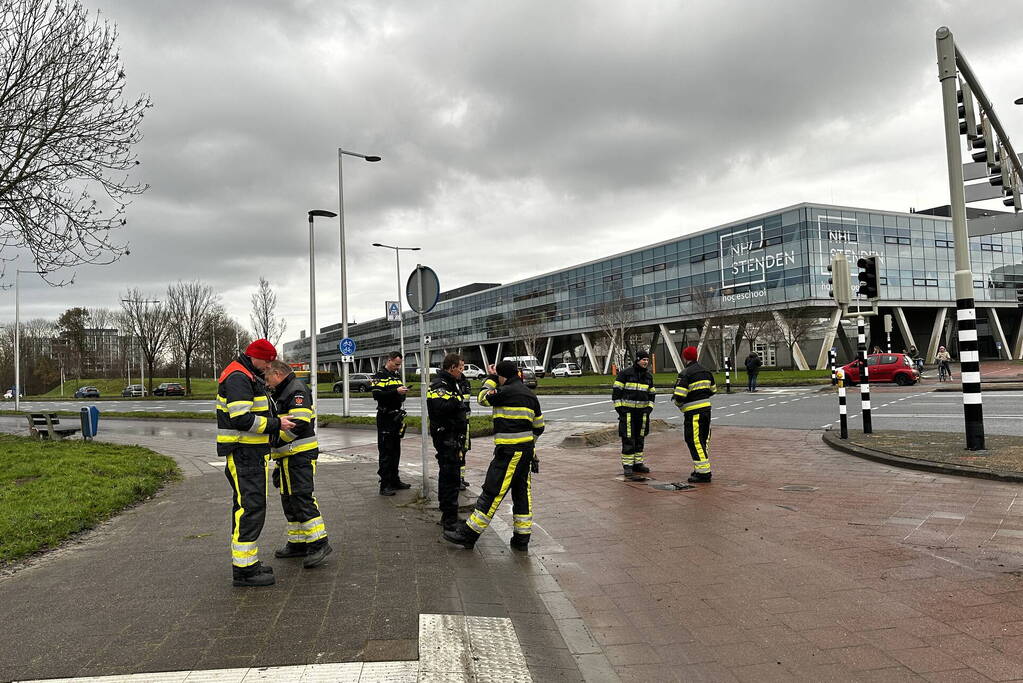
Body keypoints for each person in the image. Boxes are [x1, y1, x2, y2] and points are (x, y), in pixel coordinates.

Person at [217, 339, 295, 587]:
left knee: (247, 506)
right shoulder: (239, 377)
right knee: (250, 507)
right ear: (256, 357)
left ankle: (247, 562)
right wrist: (276, 424)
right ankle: (244, 570)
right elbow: (241, 418)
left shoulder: (246, 374)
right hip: (243, 452)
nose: (269, 366)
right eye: (268, 361)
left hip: (248, 452)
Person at [444, 361, 544, 551]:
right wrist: (529, 445)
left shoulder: (503, 393)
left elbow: (482, 397)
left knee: (493, 491)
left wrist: (490, 378)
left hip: (508, 453)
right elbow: (539, 427)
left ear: (502, 376)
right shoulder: (531, 396)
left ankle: (468, 534)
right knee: (522, 494)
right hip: (525, 454)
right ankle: (521, 539)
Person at [264, 360, 332, 569]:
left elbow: (300, 423)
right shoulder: (284, 391)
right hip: (287, 457)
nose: (266, 382)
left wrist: (277, 441)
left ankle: (319, 543)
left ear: (277, 373)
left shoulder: (296, 390)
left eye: (267, 377)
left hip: (299, 455)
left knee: (302, 497)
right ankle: (298, 543)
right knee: (289, 499)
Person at [427, 354, 469, 533]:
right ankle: (449, 519)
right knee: (449, 476)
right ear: (451, 367)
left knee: (450, 476)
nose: (462, 371)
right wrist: (458, 404)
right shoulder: (440, 385)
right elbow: (440, 408)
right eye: (460, 367)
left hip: (452, 436)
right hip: (446, 437)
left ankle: (449, 515)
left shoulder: (452, 382)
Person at [672, 346, 716, 483]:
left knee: (694, 440)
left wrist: (679, 405)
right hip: (706, 410)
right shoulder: (706, 371)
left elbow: (679, 395)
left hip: (693, 413)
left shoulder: (685, 373)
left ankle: (704, 472)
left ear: (685, 357)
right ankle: (700, 467)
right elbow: (713, 390)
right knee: (703, 439)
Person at [611, 350, 655, 480]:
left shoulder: (648, 376)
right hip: (628, 414)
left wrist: (648, 409)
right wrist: (621, 411)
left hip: (642, 414)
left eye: (647, 360)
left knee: (640, 438)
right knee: (628, 439)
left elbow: (652, 394)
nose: (646, 362)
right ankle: (628, 466)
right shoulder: (625, 374)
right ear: (637, 360)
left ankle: (638, 464)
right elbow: (616, 394)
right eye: (644, 360)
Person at [372, 351, 410, 496]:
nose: (397, 367)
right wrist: (396, 392)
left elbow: (398, 394)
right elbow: (377, 394)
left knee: (395, 451)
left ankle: (395, 480)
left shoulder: (396, 376)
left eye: (399, 365)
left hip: (396, 416)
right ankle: (385, 484)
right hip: (385, 416)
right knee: (386, 451)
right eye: (396, 364)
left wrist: (402, 393)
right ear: (389, 360)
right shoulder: (379, 375)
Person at [456, 371, 472, 490]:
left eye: (462, 367)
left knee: (464, 450)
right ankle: (456, 480)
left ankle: (461, 478)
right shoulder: (450, 383)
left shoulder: (466, 382)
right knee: (457, 451)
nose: (461, 369)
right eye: (459, 367)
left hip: (465, 422)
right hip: (456, 424)